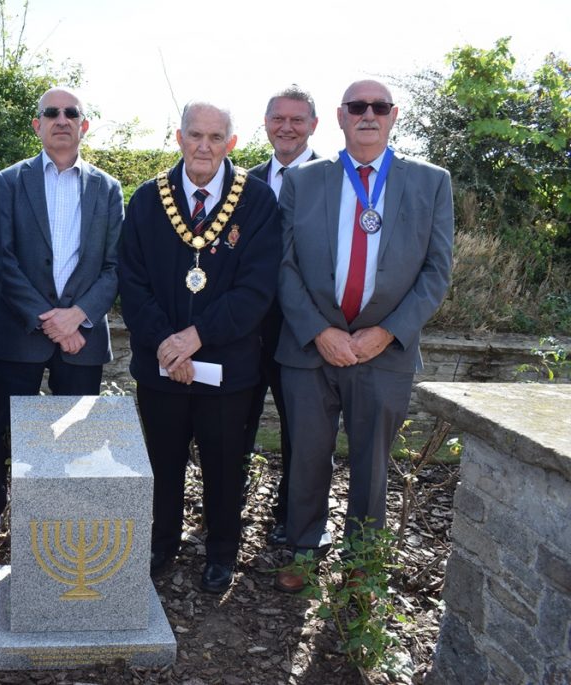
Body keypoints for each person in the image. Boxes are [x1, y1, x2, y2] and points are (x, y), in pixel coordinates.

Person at [273, 79, 453, 593]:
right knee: (306, 457)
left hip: (384, 352)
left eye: (378, 107)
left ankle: (361, 564)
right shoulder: (304, 182)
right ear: (340, 116)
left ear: (394, 116)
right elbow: (283, 268)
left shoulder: (430, 182)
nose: (368, 114)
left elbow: (437, 271)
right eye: (357, 106)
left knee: (372, 465)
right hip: (311, 350)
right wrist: (318, 330)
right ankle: (304, 554)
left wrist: (389, 332)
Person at [118, 101, 281, 594]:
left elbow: (257, 289)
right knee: (162, 460)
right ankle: (162, 541)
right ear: (179, 137)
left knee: (225, 462)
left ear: (232, 142)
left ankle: (221, 552)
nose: (204, 146)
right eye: (195, 135)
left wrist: (198, 337)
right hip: (160, 364)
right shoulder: (149, 199)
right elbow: (132, 279)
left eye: (215, 137)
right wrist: (169, 345)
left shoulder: (256, 202)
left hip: (228, 367)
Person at [0, 87, 123, 564]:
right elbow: (0, 259)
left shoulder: (107, 187)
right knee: (0, 433)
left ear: (84, 126)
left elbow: (115, 266)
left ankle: (62, 523)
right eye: (51, 113)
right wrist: (49, 319)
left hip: (81, 338)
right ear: (37, 125)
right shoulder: (7, 181)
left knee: (74, 439)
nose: (61, 119)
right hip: (21, 335)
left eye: (72, 113)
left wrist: (77, 316)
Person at [244, 85, 319, 547]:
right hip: (246, 331)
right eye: (278, 118)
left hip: (303, 331)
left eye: (297, 119)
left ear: (313, 124)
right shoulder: (245, 182)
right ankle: (225, 509)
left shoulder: (332, 178)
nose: (286, 127)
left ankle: (293, 518)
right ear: (266, 122)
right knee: (236, 423)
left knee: (301, 433)